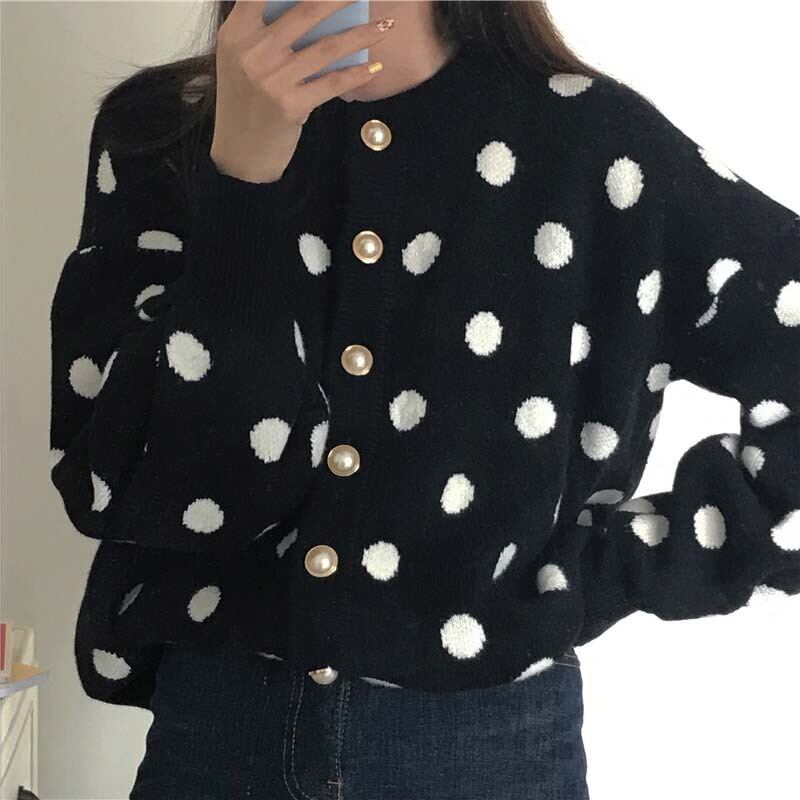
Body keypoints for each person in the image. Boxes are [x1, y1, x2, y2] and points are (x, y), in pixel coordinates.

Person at [48, 1, 799, 798]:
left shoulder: (595, 143)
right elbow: (126, 484)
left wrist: (612, 570)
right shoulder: (164, 131)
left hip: (490, 752)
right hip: (216, 739)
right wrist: (243, 182)